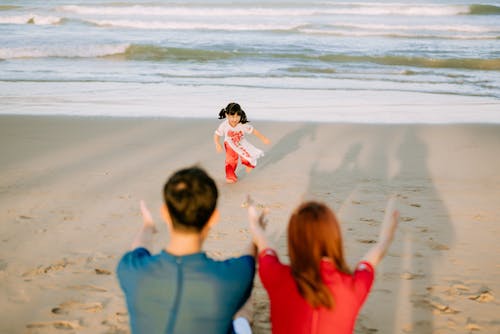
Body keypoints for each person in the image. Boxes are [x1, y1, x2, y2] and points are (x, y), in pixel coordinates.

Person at [117, 166, 256, 334]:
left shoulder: (130, 269)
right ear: (214, 217)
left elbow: (139, 249)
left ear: (164, 213)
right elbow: (249, 258)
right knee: (242, 310)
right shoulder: (235, 275)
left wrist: (148, 226)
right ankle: (242, 320)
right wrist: (256, 233)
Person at [247, 196, 400, 334]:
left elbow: (266, 249)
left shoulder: (277, 277)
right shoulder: (353, 286)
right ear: (334, 237)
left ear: (293, 241)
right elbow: (369, 262)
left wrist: (255, 227)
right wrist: (384, 240)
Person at [214, 102, 270, 183]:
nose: (235, 119)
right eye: (232, 116)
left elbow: (253, 131)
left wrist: (263, 138)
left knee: (247, 155)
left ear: (241, 115)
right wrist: (217, 143)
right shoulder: (224, 125)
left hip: (241, 143)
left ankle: (248, 164)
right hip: (229, 144)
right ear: (227, 115)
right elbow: (217, 134)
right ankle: (230, 176)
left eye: (237, 116)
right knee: (231, 160)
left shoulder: (243, 125)